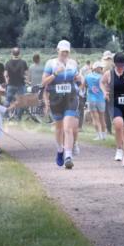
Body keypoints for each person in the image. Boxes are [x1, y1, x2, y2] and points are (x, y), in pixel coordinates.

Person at [43, 40, 84, 169]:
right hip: (56, 99)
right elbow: (44, 82)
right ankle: (60, 150)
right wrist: (55, 73)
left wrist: (79, 79)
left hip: (71, 98)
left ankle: (68, 156)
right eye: (63, 51)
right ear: (58, 50)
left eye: (67, 51)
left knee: (68, 127)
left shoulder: (73, 63)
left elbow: (79, 79)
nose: (65, 53)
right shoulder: (51, 63)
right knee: (59, 128)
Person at [84, 62, 107, 140]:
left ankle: (98, 135)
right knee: (102, 118)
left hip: (91, 99)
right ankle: (103, 136)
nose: (102, 69)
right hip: (101, 99)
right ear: (96, 68)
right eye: (101, 68)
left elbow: (84, 85)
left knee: (95, 118)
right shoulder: (102, 77)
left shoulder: (87, 76)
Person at [4, 47, 29, 113]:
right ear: (19, 53)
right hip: (21, 84)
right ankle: (18, 117)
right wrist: (28, 81)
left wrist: (7, 81)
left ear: (12, 53)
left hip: (11, 84)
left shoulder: (8, 62)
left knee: (8, 100)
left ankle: (5, 115)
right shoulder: (23, 62)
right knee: (20, 100)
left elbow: (6, 74)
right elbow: (26, 74)